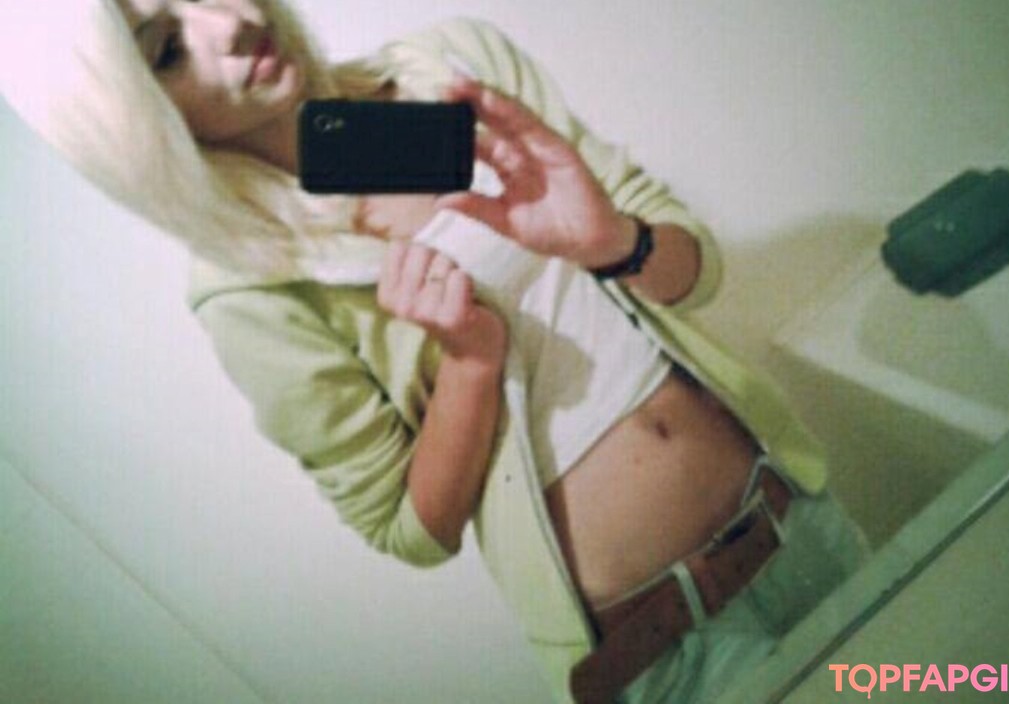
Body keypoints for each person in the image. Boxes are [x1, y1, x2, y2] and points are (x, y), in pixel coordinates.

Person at [0, 2, 871, 702]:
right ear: (133, 125)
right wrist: (469, 366)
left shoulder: (451, 67)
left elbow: (695, 269)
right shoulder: (248, 285)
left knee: (952, 677)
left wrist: (615, 241)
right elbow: (409, 530)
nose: (227, 22)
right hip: (672, 650)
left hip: (795, 519)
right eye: (166, 50)